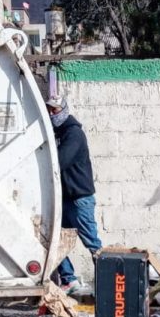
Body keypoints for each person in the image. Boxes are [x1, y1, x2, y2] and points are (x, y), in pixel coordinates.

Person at [46, 94, 102, 293]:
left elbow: (60, 161)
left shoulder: (73, 134)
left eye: (55, 110)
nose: (52, 114)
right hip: (67, 199)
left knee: (92, 243)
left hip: (79, 198)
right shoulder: (58, 133)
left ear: (64, 110)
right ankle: (69, 279)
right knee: (57, 241)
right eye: (50, 110)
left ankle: (105, 282)